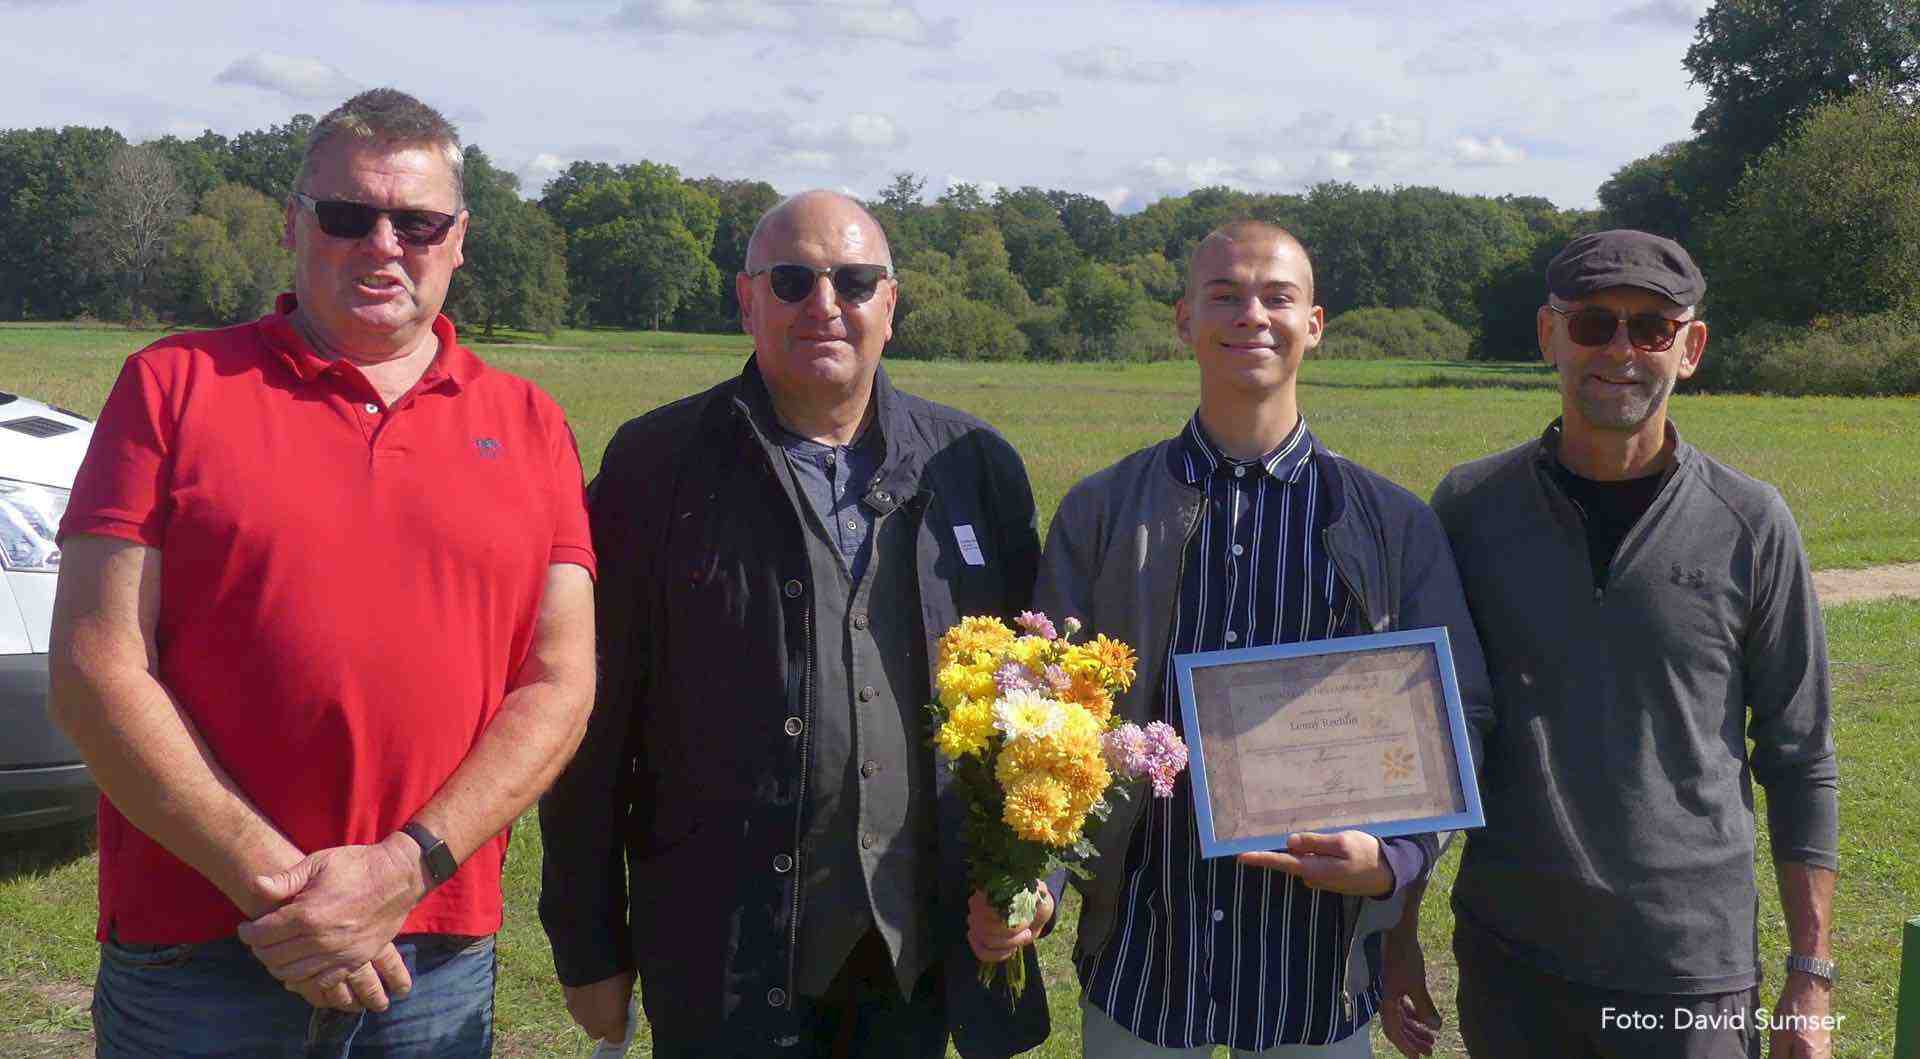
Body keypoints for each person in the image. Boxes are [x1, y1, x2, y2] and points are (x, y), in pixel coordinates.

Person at [48, 88, 597, 1057]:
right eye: (348, 215)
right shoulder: (172, 386)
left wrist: (402, 868)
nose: (383, 244)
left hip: (432, 944)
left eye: (417, 222)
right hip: (201, 945)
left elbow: (559, 681)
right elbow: (97, 668)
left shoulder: (530, 423)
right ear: (295, 224)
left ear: (458, 240)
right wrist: (285, 892)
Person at [538, 190, 1051, 1058]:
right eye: (791, 281)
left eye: (854, 281)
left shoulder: (975, 468)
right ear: (747, 300)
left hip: (915, 952)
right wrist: (589, 944)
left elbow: (1039, 711)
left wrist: (1035, 879)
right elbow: (589, 722)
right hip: (724, 950)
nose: (824, 304)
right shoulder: (655, 465)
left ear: (890, 302)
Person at [1035, 220, 1493, 1057]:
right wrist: (1042, 875)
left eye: (1278, 297)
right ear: (1184, 320)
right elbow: (1049, 717)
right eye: (1226, 296)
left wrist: (1393, 858)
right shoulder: (1101, 511)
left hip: (1314, 970)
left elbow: (1456, 711)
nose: (1252, 314)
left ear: (1313, 325)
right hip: (1144, 957)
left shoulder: (1391, 523)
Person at [1387, 230, 1838, 1059]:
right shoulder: (1470, 507)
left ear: (1690, 348)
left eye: (1653, 327)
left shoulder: (1752, 522)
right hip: (1513, 961)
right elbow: (1426, 734)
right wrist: (1397, 929)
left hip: (1689, 966)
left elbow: (1801, 754)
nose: (1621, 351)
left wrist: (1810, 975)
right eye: (1594, 323)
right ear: (1548, 334)